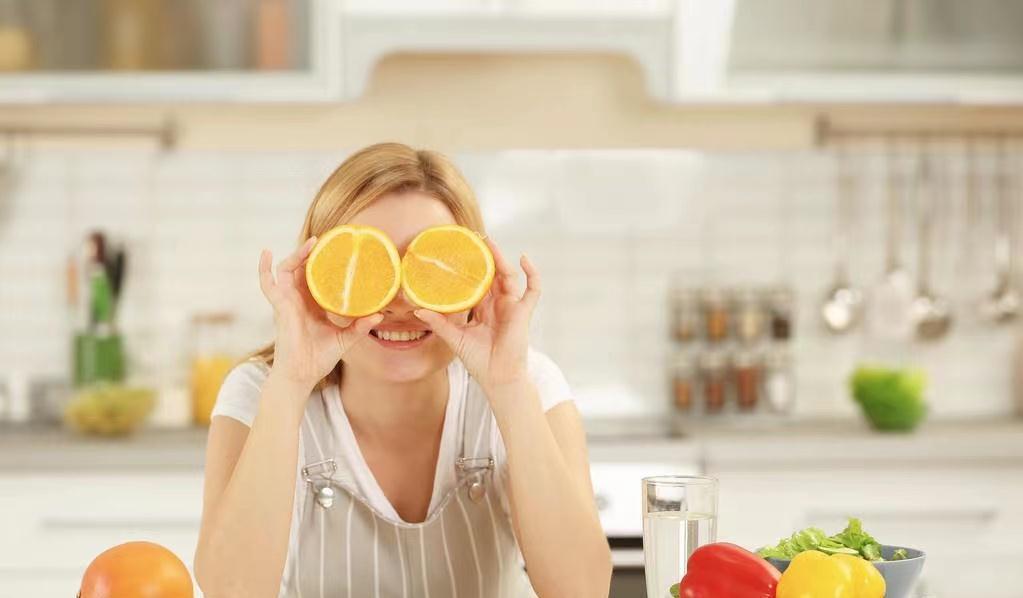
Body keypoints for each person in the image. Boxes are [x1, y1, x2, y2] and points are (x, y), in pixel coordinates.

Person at [194, 142, 612, 597]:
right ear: (320, 276)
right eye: (371, 267)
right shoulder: (261, 391)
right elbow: (229, 592)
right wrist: (291, 382)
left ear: (475, 277)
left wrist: (509, 387)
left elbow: (583, 590)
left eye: (429, 268)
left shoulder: (527, 381)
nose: (400, 303)